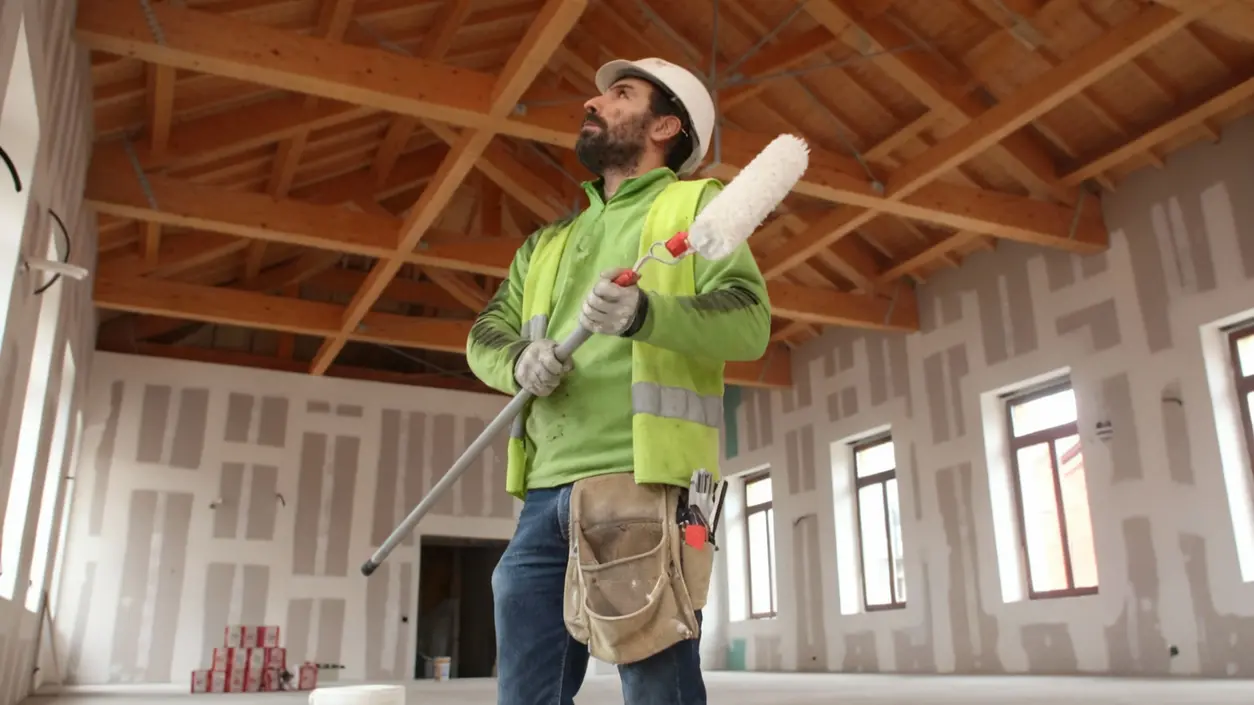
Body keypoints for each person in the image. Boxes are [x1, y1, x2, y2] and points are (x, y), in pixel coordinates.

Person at [465, 57, 771, 705]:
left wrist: (645, 312)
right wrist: (519, 360)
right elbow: (483, 335)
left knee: (657, 686)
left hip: (648, 481)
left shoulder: (695, 208)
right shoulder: (545, 245)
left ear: (665, 125)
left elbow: (748, 323)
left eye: (619, 95)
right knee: (525, 693)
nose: (592, 102)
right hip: (544, 491)